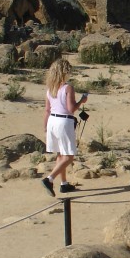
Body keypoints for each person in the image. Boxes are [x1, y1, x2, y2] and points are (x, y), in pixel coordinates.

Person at [41, 58, 87, 196]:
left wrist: (45, 126)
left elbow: (47, 110)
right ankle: (50, 179)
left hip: (52, 121)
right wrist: (82, 101)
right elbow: (71, 108)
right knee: (69, 156)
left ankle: (64, 183)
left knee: (60, 154)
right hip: (63, 121)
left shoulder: (51, 89)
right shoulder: (68, 88)